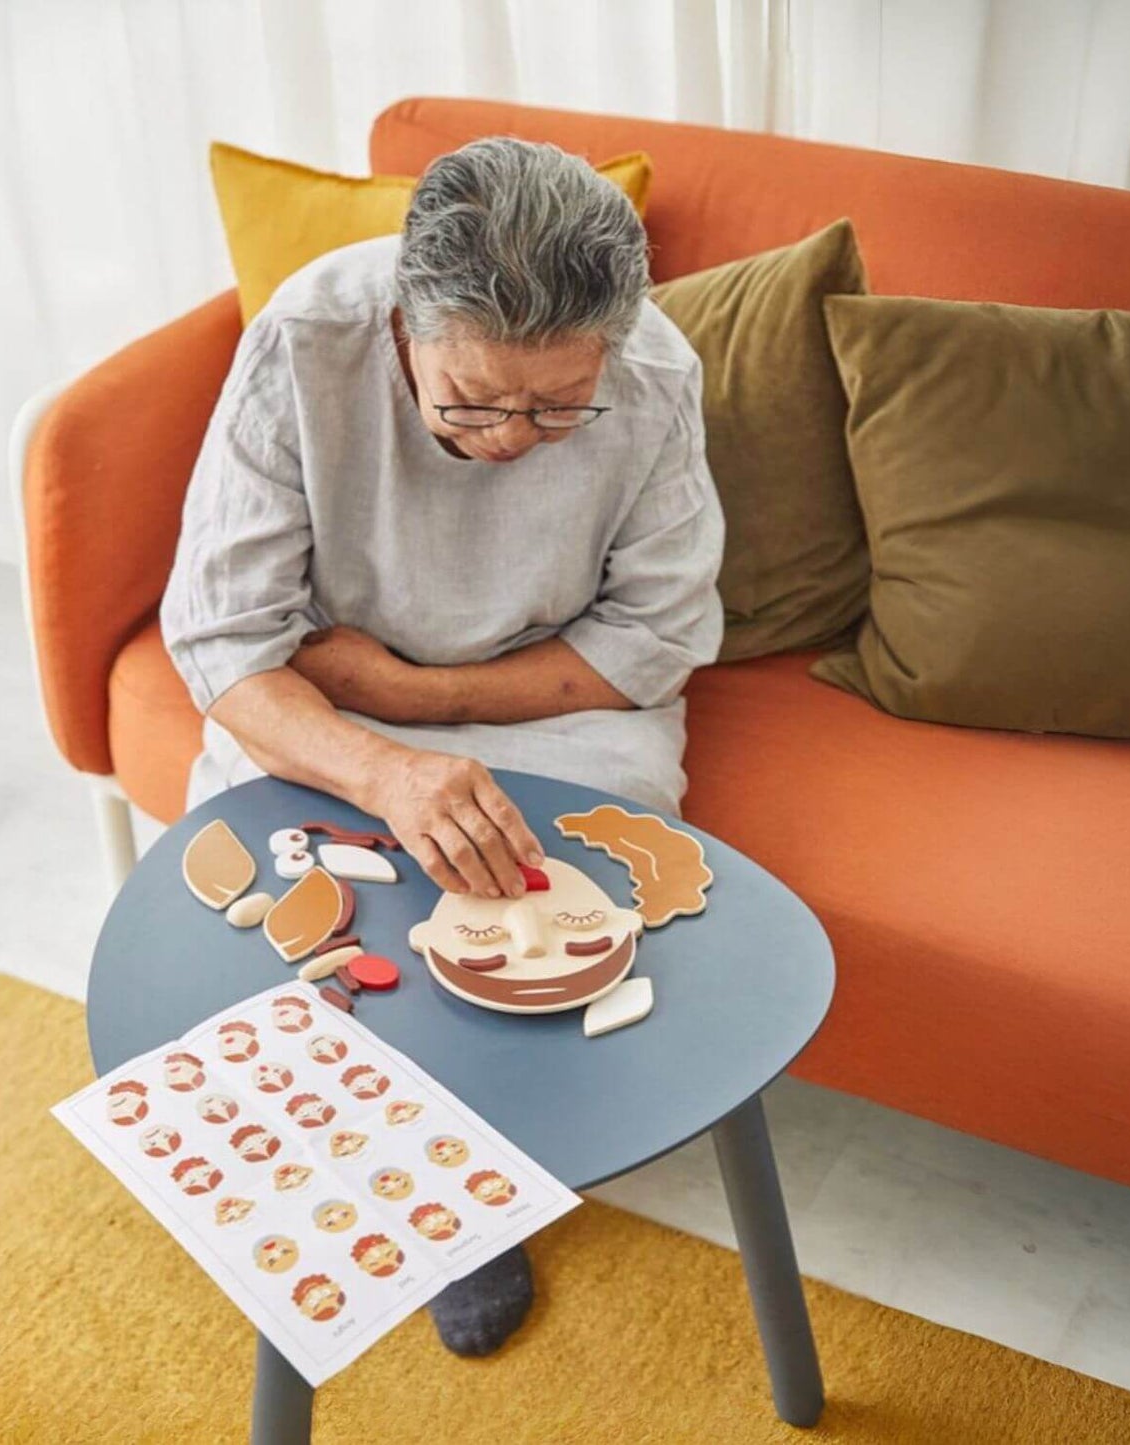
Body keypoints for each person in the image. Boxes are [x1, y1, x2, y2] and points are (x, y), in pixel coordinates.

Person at [161, 136, 725, 1356]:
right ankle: (348, 1137)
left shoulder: (657, 374)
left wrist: (414, 701)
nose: (515, 437)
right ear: (403, 324)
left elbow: (656, 636)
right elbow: (219, 636)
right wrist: (378, 760)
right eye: (471, 403)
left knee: (556, 903)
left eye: (559, 406)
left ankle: (471, 1177)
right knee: (296, 894)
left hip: (559, 693)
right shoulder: (307, 339)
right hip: (326, 698)